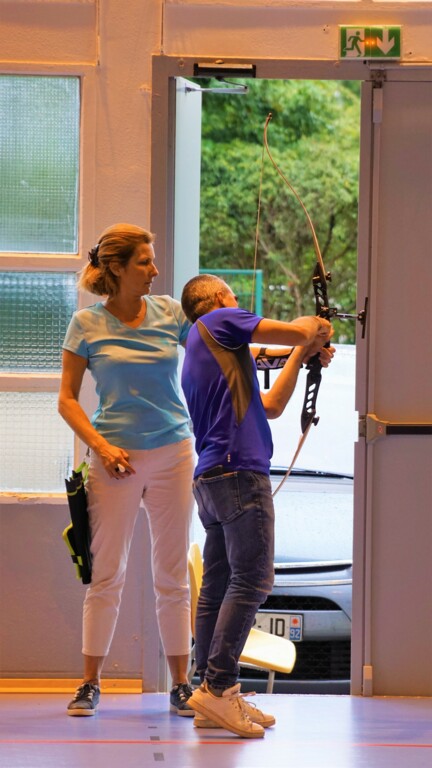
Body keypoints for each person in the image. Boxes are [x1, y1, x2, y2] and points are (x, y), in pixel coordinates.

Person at [180, 273, 334, 738]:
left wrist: (303, 355)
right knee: (252, 580)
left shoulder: (208, 349)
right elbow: (298, 330)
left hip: (213, 477)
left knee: (219, 585)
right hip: (239, 471)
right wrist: (316, 329)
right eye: (231, 295)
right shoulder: (220, 320)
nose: (237, 302)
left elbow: (272, 405)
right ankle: (218, 686)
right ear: (218, 298)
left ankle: (209, 692)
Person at [58, 223, 196, 717]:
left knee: (172, 575)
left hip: (173, 455)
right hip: (112, 459)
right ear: (116, 268)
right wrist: (101, 447)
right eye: (145, 262)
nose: (155, 270)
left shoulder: (172, 313)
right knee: (105, 575)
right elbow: (67, 400)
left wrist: (295, 349)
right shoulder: (86, 324)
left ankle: (182, 684)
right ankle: (89, 683)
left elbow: (223, 346)